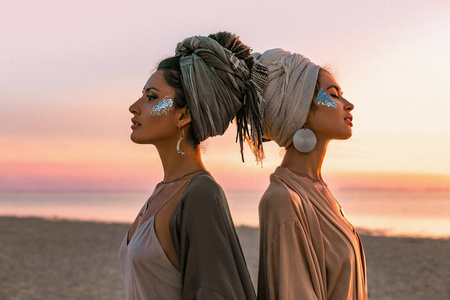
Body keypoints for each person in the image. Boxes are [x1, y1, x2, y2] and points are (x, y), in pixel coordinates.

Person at [119, 32, 265, 300]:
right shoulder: (163, 191)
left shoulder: (200, 194)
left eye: (151, 97)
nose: (134, 107)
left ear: (183, 115)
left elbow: (215, 291)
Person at [253, 49, 368, 300]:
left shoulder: (320, 190)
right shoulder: (283, 199)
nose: (348, 104)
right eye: (333, 95)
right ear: (299, 109)